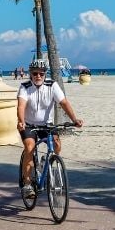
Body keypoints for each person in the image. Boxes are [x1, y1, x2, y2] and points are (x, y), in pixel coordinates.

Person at [17, 58, 83, 198]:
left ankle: (44, 162)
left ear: (45, 74)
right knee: (29, 147)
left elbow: (64, 102)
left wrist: (74, 119)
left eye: (41, 73)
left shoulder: (52, 85)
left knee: (57, 145)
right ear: (30, 74)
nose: (38, 76)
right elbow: (21, 106)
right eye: (35, 74)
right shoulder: (25, 87)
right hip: (28, 125)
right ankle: (28, 184)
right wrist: (21, 121)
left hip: (47, 125)